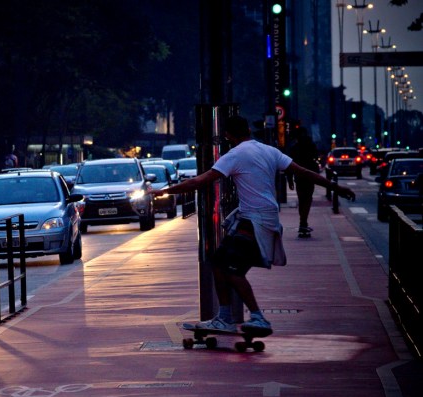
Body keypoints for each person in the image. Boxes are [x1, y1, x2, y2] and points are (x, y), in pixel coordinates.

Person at [150, 115, 355, 333]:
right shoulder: (269, 151)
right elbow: (304, 172)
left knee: (231, 269)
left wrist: (164, 192)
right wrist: (335, 187)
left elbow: (199, 181)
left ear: (228, 135)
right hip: (262, 217)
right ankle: (225, 317)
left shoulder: (235, 155)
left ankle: (257, 318)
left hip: (253, 219)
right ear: (247, 129)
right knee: (219, 262)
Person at [286, 127, 320, 238]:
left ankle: (303, 221)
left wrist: (290, 179)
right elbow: (316, 157)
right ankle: (303, 221)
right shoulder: (311, 145)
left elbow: (289, 164)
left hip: (299, 176)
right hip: (310, 175)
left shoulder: (294, 148)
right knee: (308, 198)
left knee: (302, 198)